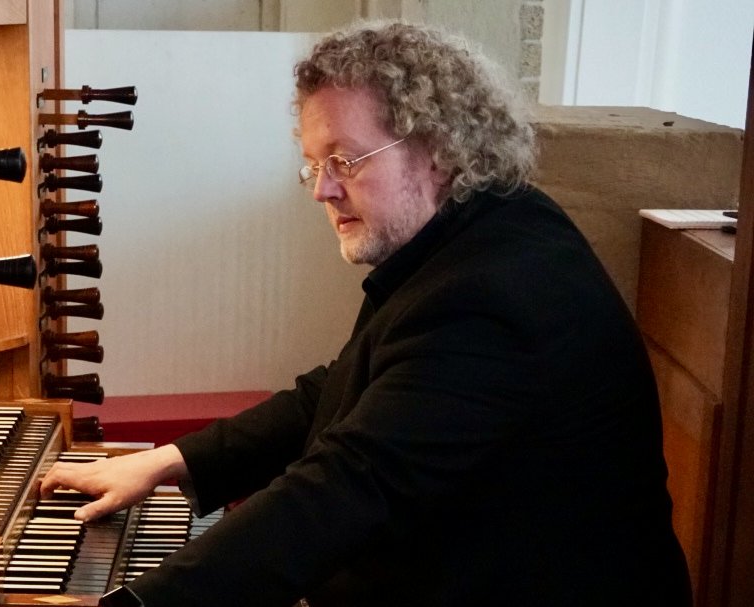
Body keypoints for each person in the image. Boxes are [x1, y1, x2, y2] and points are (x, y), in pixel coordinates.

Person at [40, 19, 692, 607]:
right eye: (314, 165)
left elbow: (347, 487)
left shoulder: (492, 298)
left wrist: (133, 605)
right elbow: (342, 389)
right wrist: (166, 462)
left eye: (344, 160)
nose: (322, 189)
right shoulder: (485, 229)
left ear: (439, 148)